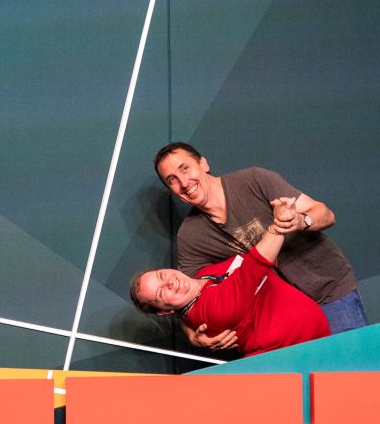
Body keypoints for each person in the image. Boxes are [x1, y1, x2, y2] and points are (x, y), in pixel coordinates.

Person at [154, 142, 367, 350]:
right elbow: (187, 297)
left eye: (185, 168)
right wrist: (193, 336)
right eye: (172, 179)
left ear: (203, 163)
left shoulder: (253, 180)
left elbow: (325, 214)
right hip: (284, 320)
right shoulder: (190, 236)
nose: (183, 182)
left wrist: (301, 221)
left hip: (329, 292)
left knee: (351, 374)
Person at [131, 197, 331, 356]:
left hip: (315, 340)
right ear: (164, 312)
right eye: (160, 293)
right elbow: (253, 267)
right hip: (293, 356)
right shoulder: (209, 314)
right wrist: (279, 224)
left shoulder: (202, 276)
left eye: (161, 275)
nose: (169, 282)